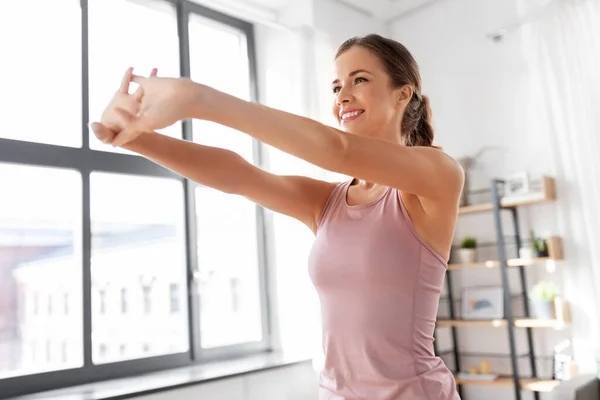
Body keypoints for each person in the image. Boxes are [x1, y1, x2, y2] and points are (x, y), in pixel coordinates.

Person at [91, 33, 463, 400]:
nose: (343, 95)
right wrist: (134, 137)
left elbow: (338, 150)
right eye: (336, 87)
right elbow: (239, 174)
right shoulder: (328, 202)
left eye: (359, 80)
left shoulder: (436, 175)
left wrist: (197, 98)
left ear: (403, 93)